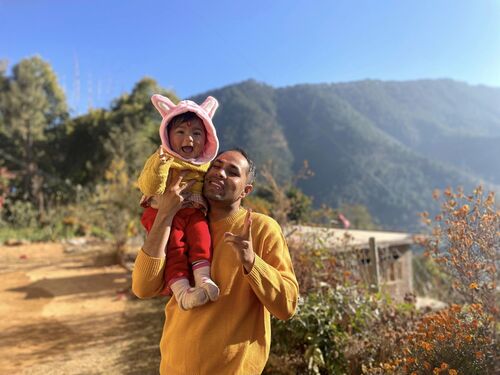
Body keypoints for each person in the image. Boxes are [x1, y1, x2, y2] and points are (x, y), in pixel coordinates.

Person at [132, 149, 299, 375]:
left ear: (245, 190)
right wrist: (164, 214)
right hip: (174, 366)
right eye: (216, 166)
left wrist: (251, 261)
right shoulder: (180, 222)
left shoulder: (261, 229)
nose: (219, 173)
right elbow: (143, 288)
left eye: (232, 172)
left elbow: (287, 306)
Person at [137, 94, 220, 310]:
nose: (189, 139)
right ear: (168, 135)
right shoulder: (161, 158)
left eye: (196, 133)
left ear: (206, 138)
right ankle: (182, 291)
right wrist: (162, 165)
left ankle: (203, 279)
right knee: (175, 248)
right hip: (161, 213)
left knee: (202, 239)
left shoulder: (205, 165)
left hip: (192, 212)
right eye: (181, 132)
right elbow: (149, 186)